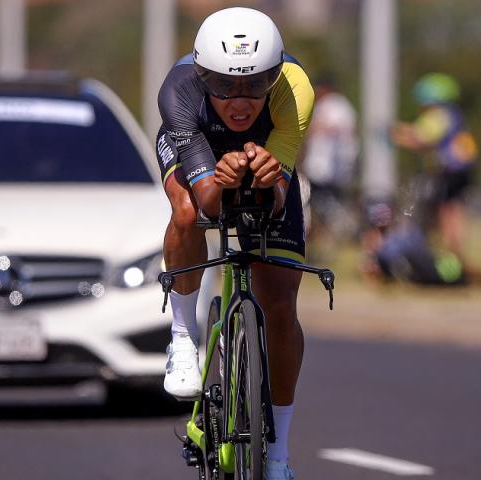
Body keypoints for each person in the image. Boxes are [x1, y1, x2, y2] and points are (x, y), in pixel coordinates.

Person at [155, 8, 314, 479]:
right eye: (223, 86)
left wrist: (268, 177)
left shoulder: (294, 91)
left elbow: (278, 195)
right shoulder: (178, 93)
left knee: (281, 307)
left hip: (268, 151)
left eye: (254, 85)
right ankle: (183, 338)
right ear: (203, 76)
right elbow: (207, 201)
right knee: (185, 210)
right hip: (198, 144)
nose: (239, 100)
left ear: (274, 76)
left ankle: (279, 457)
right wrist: (219, 180)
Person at [391, 73, 478, 262]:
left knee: (443, 212)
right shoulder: (453, 114)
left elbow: (421, 138)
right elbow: (419, 132)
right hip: (461, 171)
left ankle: (448, 253)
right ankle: (454, 254)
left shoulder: (437, 115)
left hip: (447, 172)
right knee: (454, 210)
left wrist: (396, 136)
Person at [299, 76, 359, 251]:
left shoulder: (334, 105)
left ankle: (344, 231)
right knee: (317, 202)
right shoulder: (337, 106)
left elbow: (332, 129)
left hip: (327, 168)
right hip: (328, 167)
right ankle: (323, 237)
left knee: (322, 202)